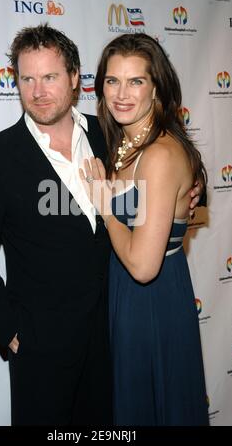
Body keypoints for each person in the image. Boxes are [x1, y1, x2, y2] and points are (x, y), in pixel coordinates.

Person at [0, 24, 201, 426]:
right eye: (27, 78)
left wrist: (194, 191)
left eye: (50, 77)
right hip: (41, 349)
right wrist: (9, 331)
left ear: (75, 78)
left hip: (114, 339)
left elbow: (164, 168)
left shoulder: (111, 135)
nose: (38, 91)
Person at [79, 33, 209, 426]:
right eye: (112, 81)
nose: (122, 93)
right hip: (126, 297)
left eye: (136, 81)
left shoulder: (158, 153)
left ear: (157, 88)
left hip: (151, 302)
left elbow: (143, 267)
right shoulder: (123, 140)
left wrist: (106, 208)